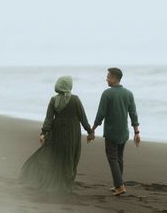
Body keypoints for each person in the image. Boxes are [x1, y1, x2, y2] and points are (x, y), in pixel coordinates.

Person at [20, 75, 94, 193]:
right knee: (71, 155)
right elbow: (83, 118)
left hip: (57, 131)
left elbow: (48, 118)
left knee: (57, 155)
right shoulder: (75, 99)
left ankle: (57, 179)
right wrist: (90, 132)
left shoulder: (54, 100)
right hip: (72, 132)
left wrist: (43, 132)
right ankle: (67, 181)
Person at [89, 68, 140, 196]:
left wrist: (92, 130)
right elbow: (133, 114)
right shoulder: (129, 94)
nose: (106, 79)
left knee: (112, 158)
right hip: (124, 133)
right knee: (119, 158)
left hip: (112, 132)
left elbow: (101, 114)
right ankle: (118, 184)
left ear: (114, 78)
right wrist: (136, 132)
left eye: (108, 77)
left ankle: (120, 186)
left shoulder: (107, 94)